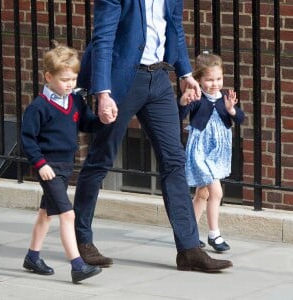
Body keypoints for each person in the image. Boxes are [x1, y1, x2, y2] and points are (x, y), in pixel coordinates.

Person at [74, 0, 233, 272]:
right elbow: (103, 40)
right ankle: (81, 241)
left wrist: (185, 72)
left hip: (158, 78)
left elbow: (175, 28)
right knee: (101, 158)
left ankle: (189, 250)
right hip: (122, 80)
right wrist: (103, 93)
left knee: (174, 160)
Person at [21, 41, 102, 283]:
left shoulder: (75, 101)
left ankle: (32, 257)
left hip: (66, 165)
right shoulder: (38, 107)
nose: (70, 84)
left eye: (73, 79)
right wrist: (40, 164)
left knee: (46, 213)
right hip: (49, 168)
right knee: (68, 214)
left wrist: (103, 119)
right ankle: (78, 265)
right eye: (65, 79)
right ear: (48, 76)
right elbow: (28, 139)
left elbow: (87, 124)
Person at [178, 52, 245, 252]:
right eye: (209, 79)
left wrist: (232, 110)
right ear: (198, 79)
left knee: (203, 193)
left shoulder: (225, 98)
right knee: (217, 191)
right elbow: (179, 115)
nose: (215, 84)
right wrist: (183, 101)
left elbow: (240, 118)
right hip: (201, 151)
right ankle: (214, 235)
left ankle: (186, 234)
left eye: (218, 79)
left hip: (217, 152)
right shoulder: (197, 97)